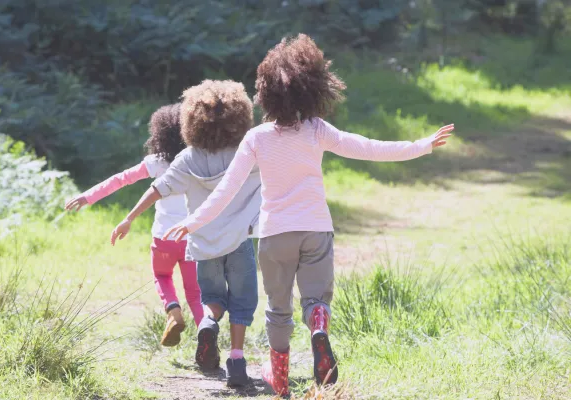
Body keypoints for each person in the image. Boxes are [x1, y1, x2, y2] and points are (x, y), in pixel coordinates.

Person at [163, 34, 453, 396]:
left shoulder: (256, 138)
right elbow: (368, 148)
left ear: (265, 92)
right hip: (316, 229)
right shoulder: (317, 131)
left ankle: (280, 378)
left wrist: (193, 221)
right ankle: (318, 325)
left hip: (274, 235)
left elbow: (226, 190)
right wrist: (421, 146)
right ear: (313, 89)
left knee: (278, 310)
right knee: (316, 299)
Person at [109, 80, 261, 387]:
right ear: (239, 117)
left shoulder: (188, 158)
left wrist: (128, 218)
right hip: (239, 242)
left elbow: (157, 189)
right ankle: (236, 361)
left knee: (213, 299)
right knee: (242, 303)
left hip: (203, 246)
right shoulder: (245, 154)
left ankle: (207, 323)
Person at [65, 104, 204, 347]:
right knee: (195, 293)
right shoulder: (197, 160)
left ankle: (173, 311)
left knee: (161, 275)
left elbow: (121, 179)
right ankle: (207, 338)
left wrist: (89, 196)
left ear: (160, 134)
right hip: (192, 238)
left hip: (164, 238)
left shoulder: (158, 162)